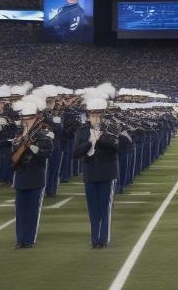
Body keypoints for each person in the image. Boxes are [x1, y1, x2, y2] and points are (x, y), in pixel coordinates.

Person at [0, 95, 54, 249]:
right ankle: (20, 239)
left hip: (35, 175)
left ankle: (29, 240)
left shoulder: (43, 133)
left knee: (33, 211)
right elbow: (9, 153)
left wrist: (33, 148)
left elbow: (47, 152)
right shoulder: (19, 134)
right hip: (21, 175)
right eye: (24, 118)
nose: (26, 121)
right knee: (20, 211)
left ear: (36, 118)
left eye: (29, 118)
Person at [73, 87, 119, 249]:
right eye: (93, 115)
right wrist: (90, 142)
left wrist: (100, 138)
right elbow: (76, 152)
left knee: (105, 207)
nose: (95, 118)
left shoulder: (111, 127)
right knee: (93, 209)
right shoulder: (82, 131)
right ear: (88, 115)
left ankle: (103, 238)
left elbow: (116, 146)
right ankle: (94, 239)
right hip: (90, 173)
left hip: (107, 172)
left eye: (98, 115)